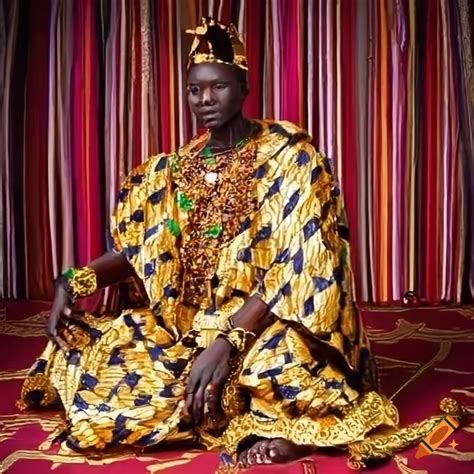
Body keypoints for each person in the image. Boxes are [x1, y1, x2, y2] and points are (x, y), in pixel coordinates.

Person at [19, 17, 463, 469]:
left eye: (219, 87)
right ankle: (231, 406)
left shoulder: (290, 157)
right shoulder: (172, 170)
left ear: (244, 87)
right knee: (106, 359)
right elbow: (139, 250)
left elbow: (302, 260)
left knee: (281, 364)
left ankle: (290, 428)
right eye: (195, 90)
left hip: (267, 322)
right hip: (190, 329)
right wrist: (71, 281)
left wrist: (230, 339)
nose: (205, 100)